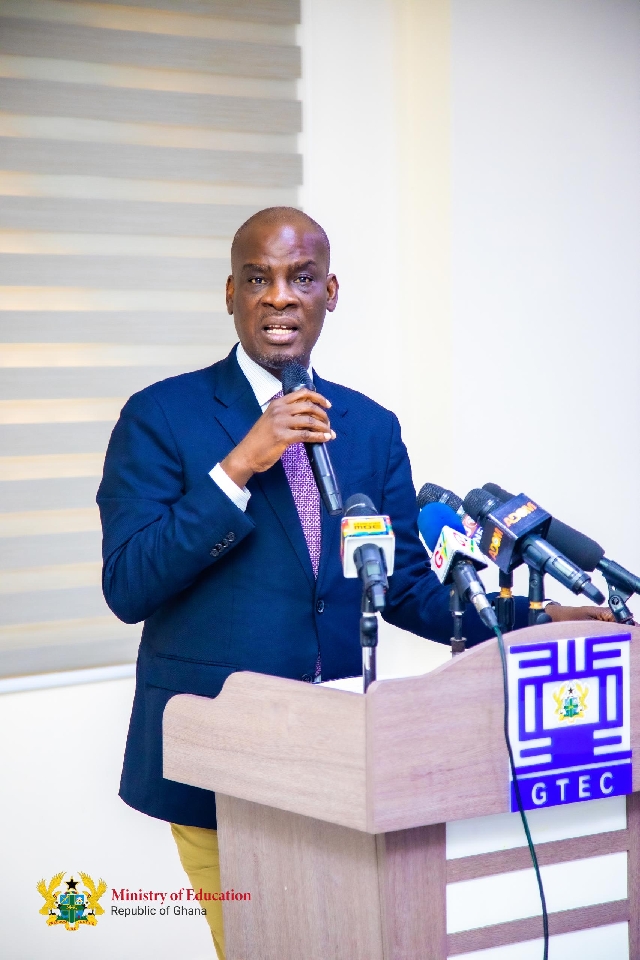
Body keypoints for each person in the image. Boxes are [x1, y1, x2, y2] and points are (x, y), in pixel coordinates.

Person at [97, 207, 612, 958]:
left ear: (330, 293)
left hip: (341, 764)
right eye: (258, 279)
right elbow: (127, 584)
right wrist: (240, 464)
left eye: (301, 278)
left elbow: (404, 587)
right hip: (223, 761)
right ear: (231, 294)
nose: (280, 296)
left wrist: (537, 618)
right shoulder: (161, 415)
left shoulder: (369, 427)